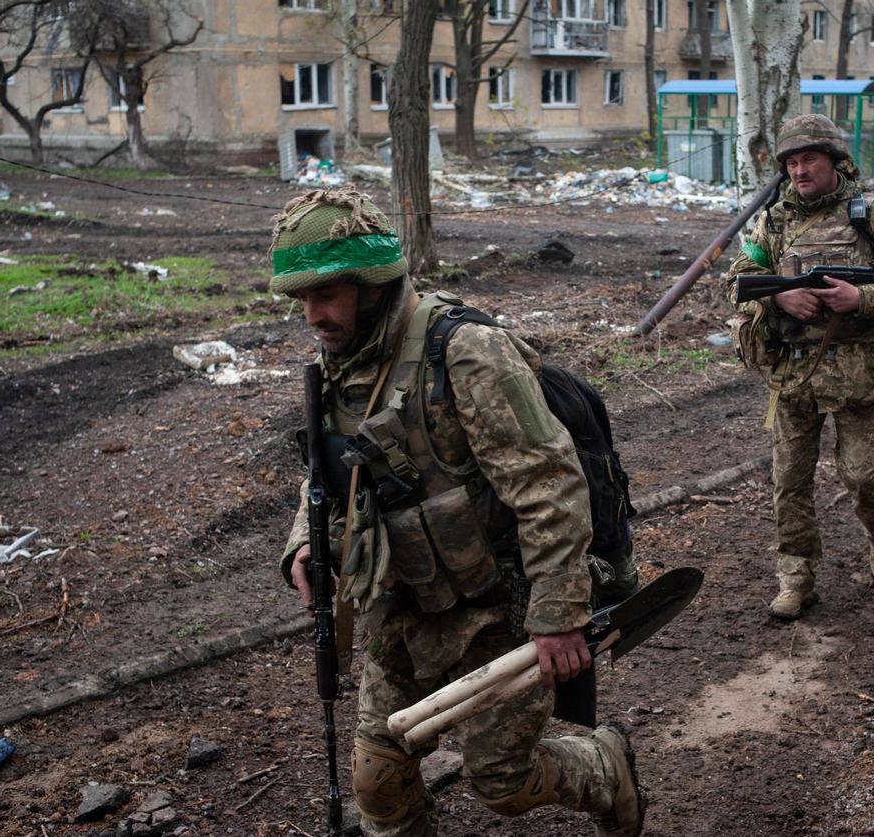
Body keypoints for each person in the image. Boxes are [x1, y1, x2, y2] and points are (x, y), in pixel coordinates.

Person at [270, 187, 642, 837]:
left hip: (497, 609)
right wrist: (306, 543)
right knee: (377, 785)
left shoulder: (466, 352)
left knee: (502, 779)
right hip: (403, 608)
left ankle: (607, 769)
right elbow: (328, 475)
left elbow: (551, 484)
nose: (311, 316)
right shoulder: (341, 364)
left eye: (324, 294)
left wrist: (557, 617)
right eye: (300, 299)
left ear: (370, 281)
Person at [725, 114, 874, 621]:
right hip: (792, 375)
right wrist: (781, 299)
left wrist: (860, 297)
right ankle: (796, 577)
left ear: (835, 162)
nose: (800, 170)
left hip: (857, 372)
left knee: (863, 477)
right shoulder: (773, 221)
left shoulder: (873, 218)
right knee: (790, 483)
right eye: (792, 162)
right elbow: (738, 281)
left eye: (809, 159)